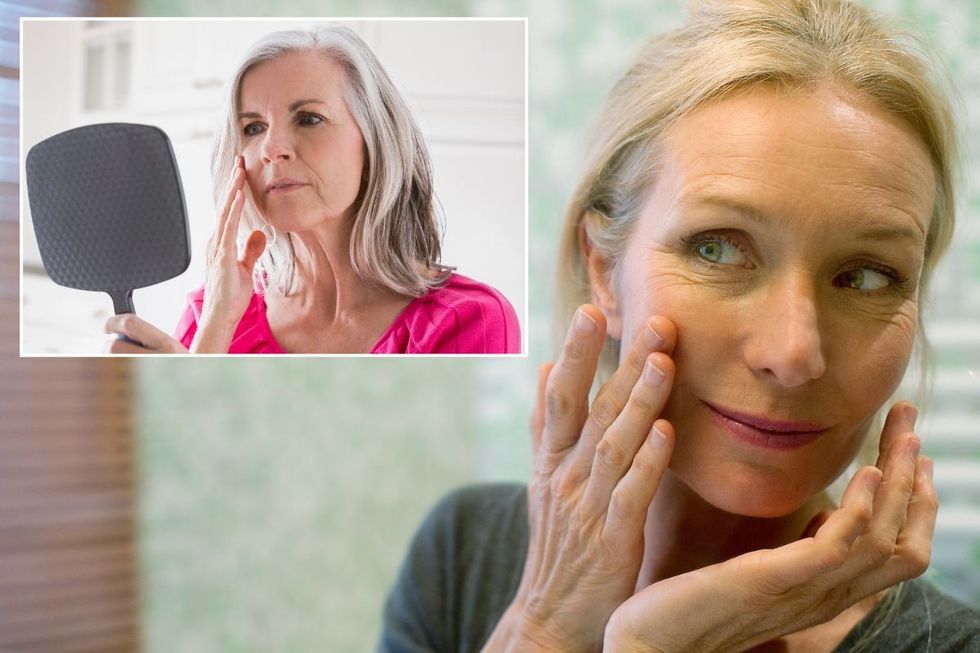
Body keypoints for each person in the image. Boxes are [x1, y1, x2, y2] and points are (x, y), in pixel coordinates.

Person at [378, 1, 980, 651]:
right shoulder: (462, 553)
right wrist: (543, 626)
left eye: (865, 276)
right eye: (719, 248)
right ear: (604, 266)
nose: (794, 352)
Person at [104, 25, 520, 354]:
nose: (271, 150)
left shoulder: (470, 322)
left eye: (308, 119)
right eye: (252, 128)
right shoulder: (212, 312)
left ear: (375, 139)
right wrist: (213, 331)